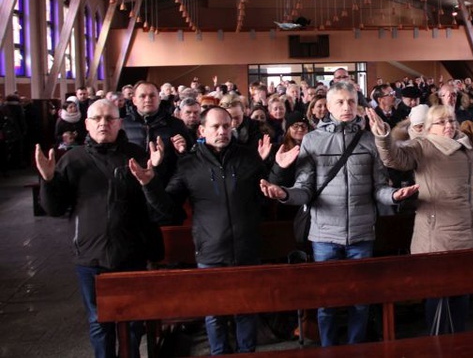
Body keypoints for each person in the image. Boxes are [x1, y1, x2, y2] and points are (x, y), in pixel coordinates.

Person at [259, 81, 418, 347]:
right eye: (340, 102)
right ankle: (328, 349)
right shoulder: (312, 140)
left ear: (358, 105)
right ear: (328, 107)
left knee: (360, 301)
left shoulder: (369, 140)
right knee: (327, 302)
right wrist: (284, 194)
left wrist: (393, 196)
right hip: (324, 234)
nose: (347, 107)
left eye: (351, 102)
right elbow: (305, 190)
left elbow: (379, 188)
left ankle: (356, 348)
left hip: (361, 232)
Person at [35, 99, 171, 358]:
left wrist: (150, 182)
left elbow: (161, 210)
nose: (103, 124)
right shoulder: (73, 160)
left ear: (119, 123)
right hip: (90, 256)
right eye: (97, 119)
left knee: (133, 324)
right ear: (86, 124)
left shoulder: (138, 156)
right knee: (99, 324)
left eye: (109, 119)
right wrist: (49, 181)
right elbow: (54, 209)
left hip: (131, 253)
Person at [163, 107, 287, 355]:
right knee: (215, 312)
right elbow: (167, 206)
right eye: (215, 127)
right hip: (211, 249)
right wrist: (149, 182)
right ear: (202, 130)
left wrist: (278, 170)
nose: (222, 131)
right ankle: (219, 353)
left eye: (226, 126)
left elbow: (264, 196)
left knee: (246, 308)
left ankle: (247, 352)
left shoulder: (248, 157)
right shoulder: (189, 163)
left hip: (246, 245)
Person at [368, 104, 473, 334]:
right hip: (437, 233)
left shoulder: (465, 144)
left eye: (451, 120)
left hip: (467, 229)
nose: (449, 126)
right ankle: (438, 344)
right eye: (442, 122)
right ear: (430, 127)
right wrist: (382, 135)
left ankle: (457, 343)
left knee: (462, 294)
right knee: (439, 295)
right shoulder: (423, 145)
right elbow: (394, 158)